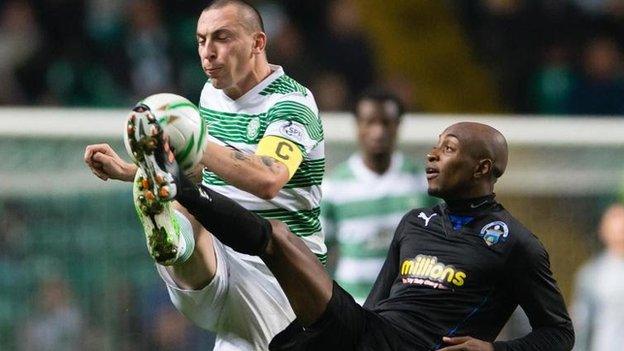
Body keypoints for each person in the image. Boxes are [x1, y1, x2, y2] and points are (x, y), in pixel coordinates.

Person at [135, 119, 574, 350]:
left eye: (449, 149)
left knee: (279, 242)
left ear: (482, 168)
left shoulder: (516, 243)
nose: (432, 154)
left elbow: (558, 334)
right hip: (369, 333)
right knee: (277, 240)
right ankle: (176, 186)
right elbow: (379, 304)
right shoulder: (416, 223)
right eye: (436, 145)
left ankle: (180, 187)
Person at [84, 1, 325, 349]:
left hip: (278, 279)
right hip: (216, 267)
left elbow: (269, 180)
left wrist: (194, 139)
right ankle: (172, 240)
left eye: (222, 38)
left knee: (186, 197)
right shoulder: (211, 95)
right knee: (182, 196)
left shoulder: (291, 104)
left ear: (258, 43)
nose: (208, 53)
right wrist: (132, 171)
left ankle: (176, 234)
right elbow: (196, 171)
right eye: (200, 40)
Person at [322, 89, 429, 304]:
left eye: (386, 123)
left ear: (398, 126)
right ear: (358, 126)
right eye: (370, 122)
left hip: (405, 307)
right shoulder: (334, 186)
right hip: (354, 307)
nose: (378, 131)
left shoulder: (422, 183)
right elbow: (319, 253)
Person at [572, 204, 624, 351]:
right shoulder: (592, 275)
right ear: (604, 232)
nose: (620, 236)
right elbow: (582, 324)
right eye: (617, 231)